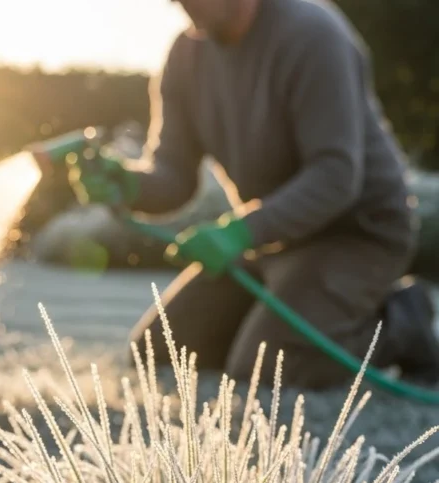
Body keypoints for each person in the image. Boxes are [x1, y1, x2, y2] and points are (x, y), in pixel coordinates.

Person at [69, 0, 439, 389]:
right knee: (157, 355)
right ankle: (275, 328)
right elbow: (174, 175)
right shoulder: (185, 56)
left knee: (271, 371)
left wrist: (240, 232)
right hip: (274, 240)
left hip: (358, 235)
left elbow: (336, 176)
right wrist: (127, 185)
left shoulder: (312, 34)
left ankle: (402, 324)